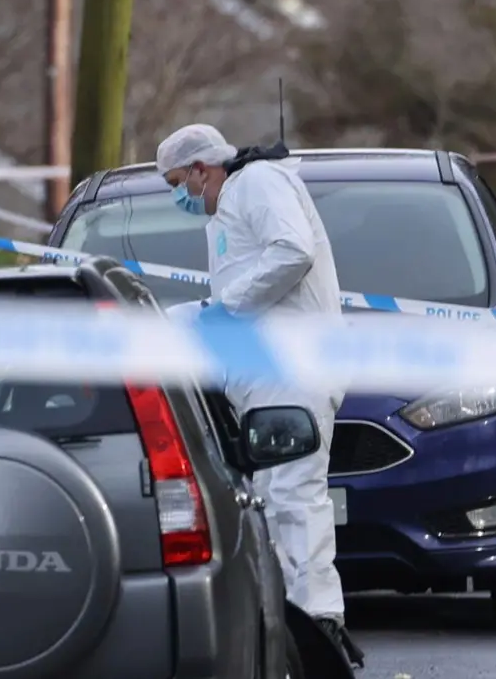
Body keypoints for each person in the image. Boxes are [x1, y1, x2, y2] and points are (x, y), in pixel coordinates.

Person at [155, 123, 364, 669]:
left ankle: (319, 623)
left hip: (295, 369)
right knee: (273, 501)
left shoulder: (258, 184)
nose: (179, 195)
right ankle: (289, 629)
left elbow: (291, 250)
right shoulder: (226, 210)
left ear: (203, 168)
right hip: (265, 378)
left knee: (296, 498)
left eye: (179, 181)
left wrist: (228, 308)